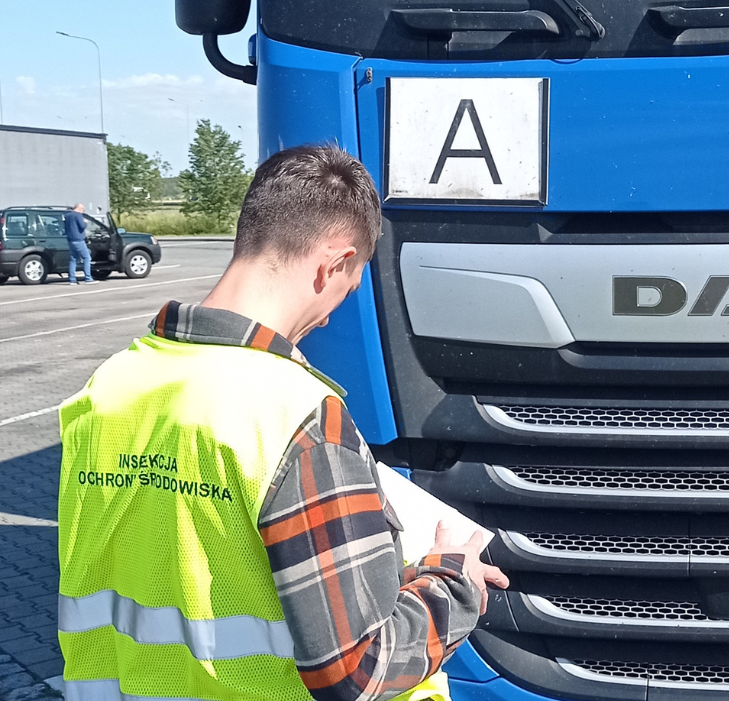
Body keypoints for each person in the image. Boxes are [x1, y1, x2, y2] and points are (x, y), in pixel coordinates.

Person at [57, 145, 505, 701]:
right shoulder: (297, 417)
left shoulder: (110, 385)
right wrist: (453, 583)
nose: (334, 312)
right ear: (333, 264)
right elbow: (359, 669)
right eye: (349, 285)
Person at [62, 203, 93, 285]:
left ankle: (72, 279)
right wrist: (85, 222)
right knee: (87, 258)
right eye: (83, 209)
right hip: (79, 240)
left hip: (70, 240)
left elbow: (65, 228)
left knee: (73, 259)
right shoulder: (78, 215)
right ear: (80, 208)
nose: (83, 211)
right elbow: (82, 226)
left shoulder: (67, 216)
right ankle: (88, 278)